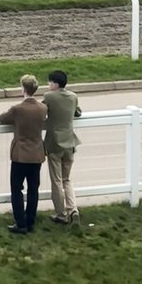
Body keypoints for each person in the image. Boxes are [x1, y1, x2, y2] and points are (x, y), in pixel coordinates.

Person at [0, 74, 47, 235]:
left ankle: (20, 223)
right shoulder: (42, 108)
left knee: (16, 189)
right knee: (33, 189)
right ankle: (30, 221)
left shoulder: (17, 109)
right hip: (37, 154)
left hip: (20, 155)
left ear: (23, 89)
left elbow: (3, 119)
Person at [43, 70, 82, 226]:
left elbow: (41, 111)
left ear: (55, 84)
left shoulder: (49, 97)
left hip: (55, 144)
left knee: (57, 180)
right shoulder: (73, 97)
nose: (48, 85)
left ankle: (61, 213)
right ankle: (73, 209)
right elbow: (78, 113)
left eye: (49, 82)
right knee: (67, 179)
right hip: (70, 143)